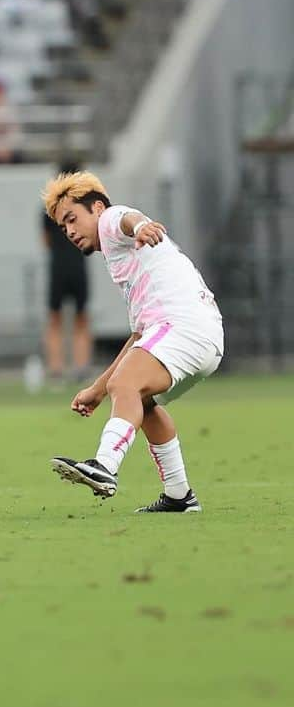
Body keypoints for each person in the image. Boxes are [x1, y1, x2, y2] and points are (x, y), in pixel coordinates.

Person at [43, 171, 223, 512]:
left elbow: (126, 219)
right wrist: (98, 388)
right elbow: (140, 337)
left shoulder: (111, 222)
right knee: (143, 400)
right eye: (62, 227)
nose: (68, 231)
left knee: (126, 383)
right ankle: (179, 495)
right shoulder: (129, 266)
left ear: (95, 208)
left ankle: (105, 467)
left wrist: (140, 226)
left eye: (72, 219)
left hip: (185, 326)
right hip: (197, 334)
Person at [41, 173, 91, 382]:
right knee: (81, 319)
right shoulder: (83, 207)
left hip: (57, 268)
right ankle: (80, 367)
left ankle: (56, 369)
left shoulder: (48, 210)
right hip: (78, 266)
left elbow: (45, 241)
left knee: (55, 320)